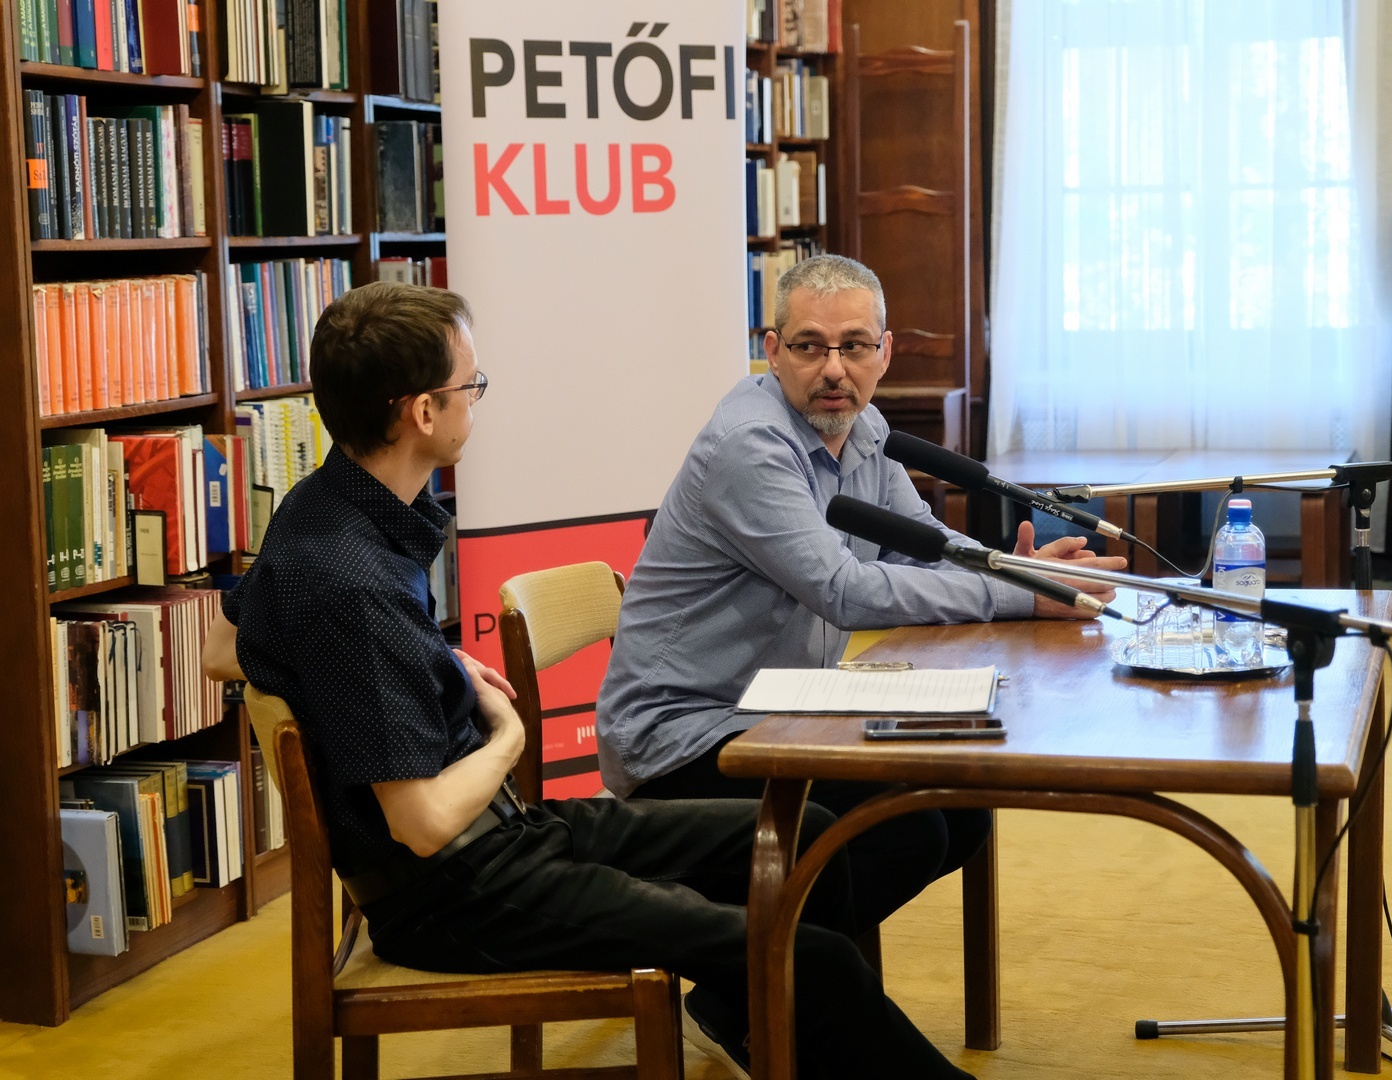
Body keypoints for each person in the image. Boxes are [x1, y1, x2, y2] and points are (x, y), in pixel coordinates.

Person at [201, 281, 976, 1080]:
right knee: (810, 955)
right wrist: (507, 734)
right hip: (459, 888)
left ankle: (769, 1030)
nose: (478, 400)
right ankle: (779, 1016)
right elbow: (423, 823)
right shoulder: (354, 584)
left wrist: (421, 663)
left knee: (810, 839)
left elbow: (223, 648)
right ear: (424, 413)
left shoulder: (323, 506)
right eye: (471, 384)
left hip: (506, 837)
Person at [599, 254, 1126, 940]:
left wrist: (1013, 572)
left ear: (885, 352)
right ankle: (760, 983)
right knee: (903, 829)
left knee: (960, 811)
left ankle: (786, 978)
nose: (833, 370)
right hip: (683, 738)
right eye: (809, 347)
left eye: (853, 346)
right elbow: (842, 590)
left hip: (780, 711)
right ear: (773, 352)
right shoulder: (750, 446)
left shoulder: (864, 429)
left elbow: (924, 545)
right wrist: (1018, 596)